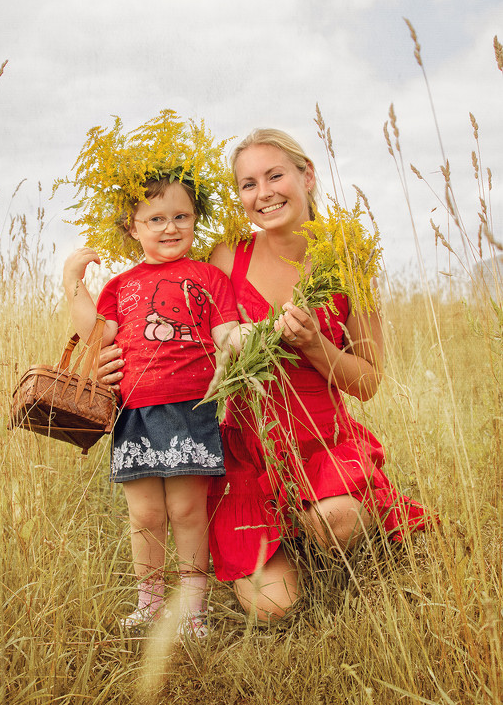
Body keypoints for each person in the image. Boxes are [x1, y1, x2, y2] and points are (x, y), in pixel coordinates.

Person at [99, 128, 434, 622]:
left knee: (336, 521)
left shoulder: (346, 261)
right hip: (243, 449)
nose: (264, 193)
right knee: (272, 608)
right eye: (248, 184)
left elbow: (366, 382)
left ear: (307, 176)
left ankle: (343, 538)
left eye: (275, 175)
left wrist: (315, 345)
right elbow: (166, 323)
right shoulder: (225, 256)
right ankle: (287, 550)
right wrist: (116, 362)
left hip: (320, 442)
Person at [63, 176, 244, 638]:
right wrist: (72, 283)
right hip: (135, 412)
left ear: (195, 220)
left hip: (192, 408)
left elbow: (226, 332)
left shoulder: (208, 277)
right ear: (133, 226)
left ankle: (192, 609)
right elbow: (97, 335)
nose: (170, 227)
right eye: (156, 219)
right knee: (144, 515)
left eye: (181, 217)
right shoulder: (121, 285)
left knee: (186, 511)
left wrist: (250, 338)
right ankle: (149, 601)